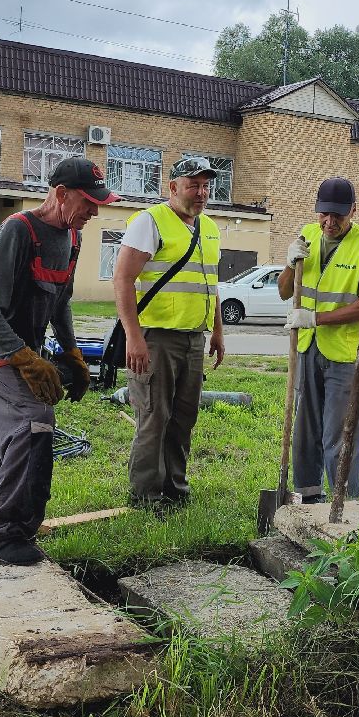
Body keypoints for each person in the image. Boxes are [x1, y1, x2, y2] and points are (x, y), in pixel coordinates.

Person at [0, 156, 117, 565]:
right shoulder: (18, 230)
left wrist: (71, 352)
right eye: (88, 202)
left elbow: (60, 301)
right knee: (34, 417)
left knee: (3, 429)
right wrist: (27, 361)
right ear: (61, 194)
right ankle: (4, 532)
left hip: (25, 344)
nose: (94, 211)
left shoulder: (73, 240)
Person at [112, 156, 225, 509]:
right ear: (173, 187)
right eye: (194, 185)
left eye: (206, 185)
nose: (201, 192)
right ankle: (146, 494)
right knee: (154, 416)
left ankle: (175, 488)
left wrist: (217, 332)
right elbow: (123, 279)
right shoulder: (150, 222)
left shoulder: (209, 228)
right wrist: (134, 336)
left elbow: (211, 284)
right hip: (156, 337)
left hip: (194, 337)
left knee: (183, 416)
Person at [278, 177, 359, 504]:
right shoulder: (306, 236)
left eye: (338, 215)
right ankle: (308, 499)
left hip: (347, 355)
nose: (329, 222)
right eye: (324, 214)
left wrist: (316, 318)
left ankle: (344, 507)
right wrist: (290, 264)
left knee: (340, 435)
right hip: (308, 349)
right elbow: (283, 291)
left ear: (353, 210)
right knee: (305, 432)